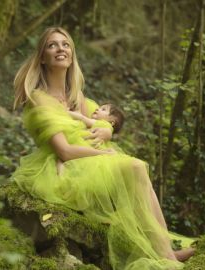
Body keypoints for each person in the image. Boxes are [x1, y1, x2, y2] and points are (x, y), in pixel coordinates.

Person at [12, 26, 194, 270]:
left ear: (72, 55)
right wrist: (104, 152)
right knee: (136, 166)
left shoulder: (76, 96)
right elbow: (64, 151)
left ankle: (165, 249)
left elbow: (101, 121)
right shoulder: (39, 99)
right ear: (42, 57)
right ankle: (168, 256)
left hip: (89, 163)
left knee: (138, 170)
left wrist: (107, 129)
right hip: (64, 171)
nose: (60, 49)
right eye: (52, 45)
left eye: (65, 45)